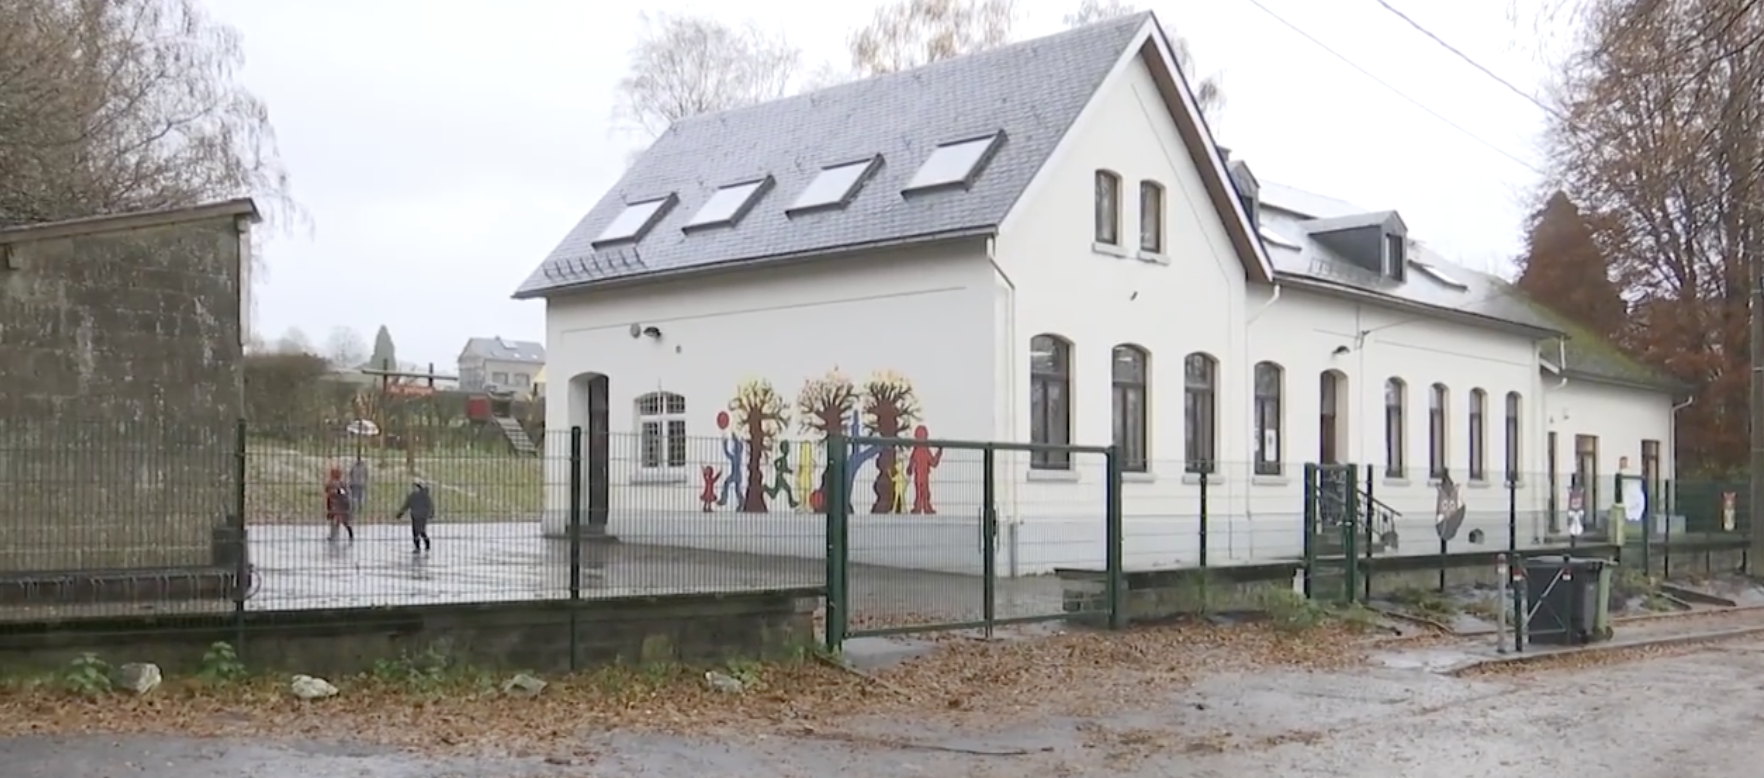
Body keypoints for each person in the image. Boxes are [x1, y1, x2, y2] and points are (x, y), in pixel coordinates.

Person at [394, 479, 434, 553]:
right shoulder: (412, 496)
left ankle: (427, 543)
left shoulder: (424, 496)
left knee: (421, 531)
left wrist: (431, 513)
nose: (414, 488)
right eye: (413, 487)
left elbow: (430, 505)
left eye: (415, 486)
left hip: (422, 516)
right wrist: (400, 514)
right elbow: (406, 505)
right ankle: (417, 547)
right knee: (415, 532)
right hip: (414, 516)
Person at [323, 466, 355, 541]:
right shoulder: (332, 483)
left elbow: (344, 493)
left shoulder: (341, 483)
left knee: (341, 521)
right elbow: (327, 490)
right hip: (334, 505)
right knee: (337, 521)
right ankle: (334, 535)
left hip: (339, 505)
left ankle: (337, 535)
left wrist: (336, 492)